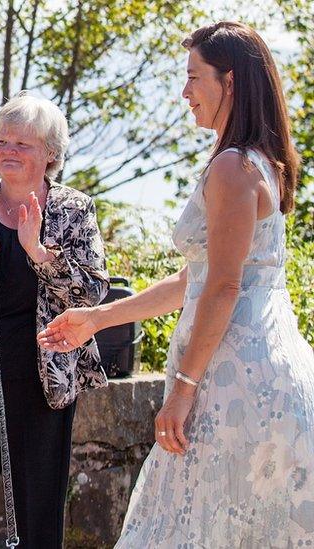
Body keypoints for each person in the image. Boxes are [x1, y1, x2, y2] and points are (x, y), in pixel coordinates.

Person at [38, 22, 314, 547]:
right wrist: (97, 319)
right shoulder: (259, 163)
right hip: (261, 372)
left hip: (231, 383)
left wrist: (184, 390)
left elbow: (223, 288)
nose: (184, 93)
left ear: (228, 82)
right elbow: (196, 279)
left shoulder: (233, 167)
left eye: (193, 78)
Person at [0, 92, 109, 547]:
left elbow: (92, 292)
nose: (8, 151)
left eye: (22, 144)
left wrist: (39, 253)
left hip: (41, 379)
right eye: (3, 141)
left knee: (37, 510)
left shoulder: (73, 209)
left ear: (50, 154)